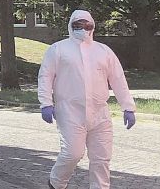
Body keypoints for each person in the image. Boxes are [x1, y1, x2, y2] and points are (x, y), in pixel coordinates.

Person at [38, 10, 136, 189]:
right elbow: (46, 76)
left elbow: (118, 79)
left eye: (87, 25)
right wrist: (46, 103)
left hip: (100, 112)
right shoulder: (58, 49)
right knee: (72, 154)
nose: (83, 29)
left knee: (101, 158)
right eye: (78, 25)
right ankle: (56, 183)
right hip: (69, 111)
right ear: (71, 26)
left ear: (93, 27)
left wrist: (128, 106)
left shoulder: (103, 51)